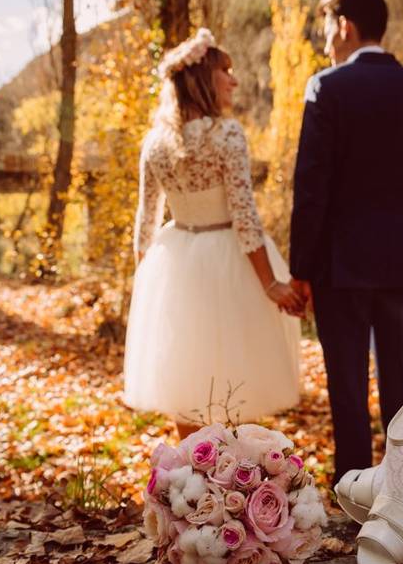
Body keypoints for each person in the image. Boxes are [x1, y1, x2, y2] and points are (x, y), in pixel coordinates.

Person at [289, 0, 403, 486]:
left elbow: (311, 192)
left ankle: (356, 502)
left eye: (326, 29)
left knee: (347, 393)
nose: (325, 42)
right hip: (398, 264)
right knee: (402, 391)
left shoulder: (326, 88)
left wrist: (302, 269)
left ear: (345, 26)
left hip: (339, 267)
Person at [123, 28, 303, 440]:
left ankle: (190, 489)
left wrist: (148, 284)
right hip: (230, 263)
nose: (234, 80)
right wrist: (270, 283)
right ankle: (230, 489)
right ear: (204, 80)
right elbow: (244, 217)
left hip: (176, 261)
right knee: (235, 384)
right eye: (226, 71)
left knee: (185, 379)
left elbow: (144, 225)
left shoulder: (154, 142)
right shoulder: (227, 135)